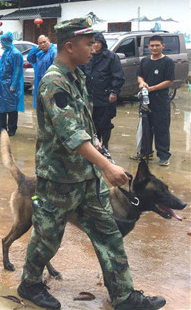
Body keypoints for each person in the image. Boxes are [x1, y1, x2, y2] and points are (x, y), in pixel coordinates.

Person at [17, 18, 165, 310]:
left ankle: (124, 296)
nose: (94, 48)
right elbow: (70, 134)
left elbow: (83, 124)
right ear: (69, 46)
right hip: (59, 180)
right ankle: (29, 283)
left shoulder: (76, 76)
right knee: (47, 238)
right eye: (88, 43)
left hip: (85, 178)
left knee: (108, 235)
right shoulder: (53, 81)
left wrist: (97, 142)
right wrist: (107, 167)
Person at [84, 32, 125, 159]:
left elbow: (118, 76)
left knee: (105, 123)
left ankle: (105, 146)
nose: (95, 45)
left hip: (106, 96)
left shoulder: (111, 57)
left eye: (98, 43)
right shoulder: (87, 56)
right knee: (92, 123)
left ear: (102, 44)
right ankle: (95, 145)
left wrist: (114, 92)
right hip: (90, 96)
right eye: (93, 42)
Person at [136, 35, 175, 166]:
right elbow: (140, 76)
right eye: (152, 45)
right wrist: (142, 83)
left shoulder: (167, 62)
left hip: (161, 101)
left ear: (163, 46)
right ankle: (146, 152)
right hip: (146, 100)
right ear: (148, 47)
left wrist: (153, 88)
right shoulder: (145, 61)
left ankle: (164, 155)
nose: (154, 48)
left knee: (161, 128)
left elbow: (169, 80)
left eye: (157, 45)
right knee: (146, 127)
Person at [0, 32, 24, 136]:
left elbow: (17, 71)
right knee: (0, 106)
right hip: (2, 84)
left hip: (10, 85)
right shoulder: (6, 52)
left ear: (6, 41)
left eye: (2, 42)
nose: (1, 44)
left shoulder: (16, 53)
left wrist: (13, 85)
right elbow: (0, 68)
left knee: (11, 108)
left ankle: (12, 128)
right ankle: (2, 127)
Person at [27, 34, 57, 109]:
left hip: (50, 86)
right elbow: (29, 58)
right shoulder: (40, 53)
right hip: (39, 84)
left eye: (44, 42)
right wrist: (36, 48)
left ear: (49, 41)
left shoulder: (53, 52)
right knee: (40, 108)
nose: (43, 44)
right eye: (40, 43)